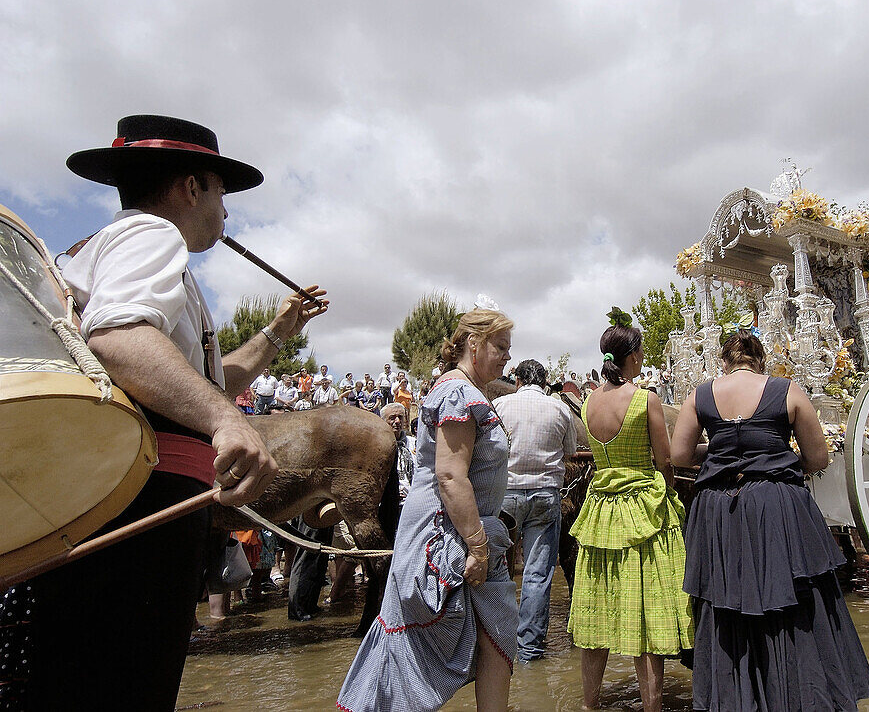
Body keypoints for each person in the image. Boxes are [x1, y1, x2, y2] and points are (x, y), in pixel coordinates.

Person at [0, 115, 327, 710]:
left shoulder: (101, 247)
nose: (227, 213)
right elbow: (120, 339)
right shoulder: (152, 236)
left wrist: (279, 332)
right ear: (191, 187)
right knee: (125, 683)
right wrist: (228, 421)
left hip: (114, 488)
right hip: (144, 489)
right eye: (222, 192)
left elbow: (198, 381)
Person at [670, 330, 869, 710]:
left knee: (728, 604)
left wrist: (719, 448)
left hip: (719, 511)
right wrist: (770, 454)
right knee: (795, 603)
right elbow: (818, 458)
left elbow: (679, 455)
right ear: (759, 360)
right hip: (778, 507)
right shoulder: (788, 390)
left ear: (724, 361)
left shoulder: (699, 395)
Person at [338, 309, 517, 712]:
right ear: (474, 343)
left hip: (458, 529)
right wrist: (478, 547)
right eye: (501, 347)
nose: (508, 357)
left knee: (493, 637)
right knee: (483, 639)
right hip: (449, 533)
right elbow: (450, 477)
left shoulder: (462, 390)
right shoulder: (459, 393)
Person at [568, 309, 693, 712]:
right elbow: (666, 460)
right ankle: (652, 706)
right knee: (647, 606)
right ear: (634, 357)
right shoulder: (645, 399)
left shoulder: (587, 403)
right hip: (643, 508)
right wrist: (669, 489)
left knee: (596, 607)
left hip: (600, 508)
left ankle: (589, 704)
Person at [493, 358, 577, 661]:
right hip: (545, 494)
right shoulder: (560, 408)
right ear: (545, 382)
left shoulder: (500, 406)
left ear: (517, 381)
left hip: (506, 494)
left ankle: (496, 645)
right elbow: (569, 451)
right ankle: (530, 650)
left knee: (497, 572)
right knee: (538, 574)